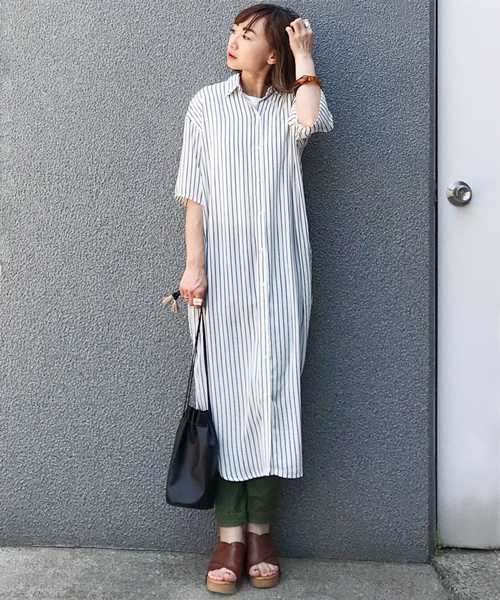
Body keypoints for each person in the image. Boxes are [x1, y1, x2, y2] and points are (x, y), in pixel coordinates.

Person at [174, 3, 334, 594]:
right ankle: (229, 536)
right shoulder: (206, 104)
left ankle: (262, 532)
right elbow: (194, 192)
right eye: (233, 32)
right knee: (223, 399)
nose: (234, 42)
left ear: (273, 51)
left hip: (282, 277)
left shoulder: (292, 102)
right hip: (221, 280)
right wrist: (194, 267)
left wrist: (304, 56)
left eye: (248, 35)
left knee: (272, 396)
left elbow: (313, 120)